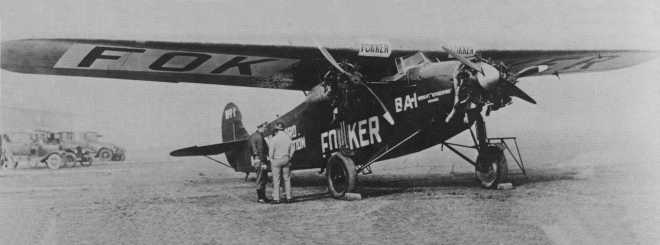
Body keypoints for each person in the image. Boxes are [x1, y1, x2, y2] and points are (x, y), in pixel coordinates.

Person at [268, 122, 294, 204]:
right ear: (283, 129)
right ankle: (289, 197)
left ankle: (276, 199)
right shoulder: (288, 138)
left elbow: (271, 152)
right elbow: (293, 148)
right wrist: (289, 157)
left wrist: (271, 159)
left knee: (276, 180)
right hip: (286, 159)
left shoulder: (274, 139)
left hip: (277, 160)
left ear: (276, 129)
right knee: (287, 179)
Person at [248, 123, 270, 203]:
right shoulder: (259, 137)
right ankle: (261, 198)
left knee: (260, 178)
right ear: (260, 127)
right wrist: (263, 162)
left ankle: (262, 197)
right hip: (260, 160)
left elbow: (251, 149)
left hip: (257, 160)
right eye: (265, 127)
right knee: (261, 179)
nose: (266, 128)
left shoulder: (253, 136)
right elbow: (261, 150)